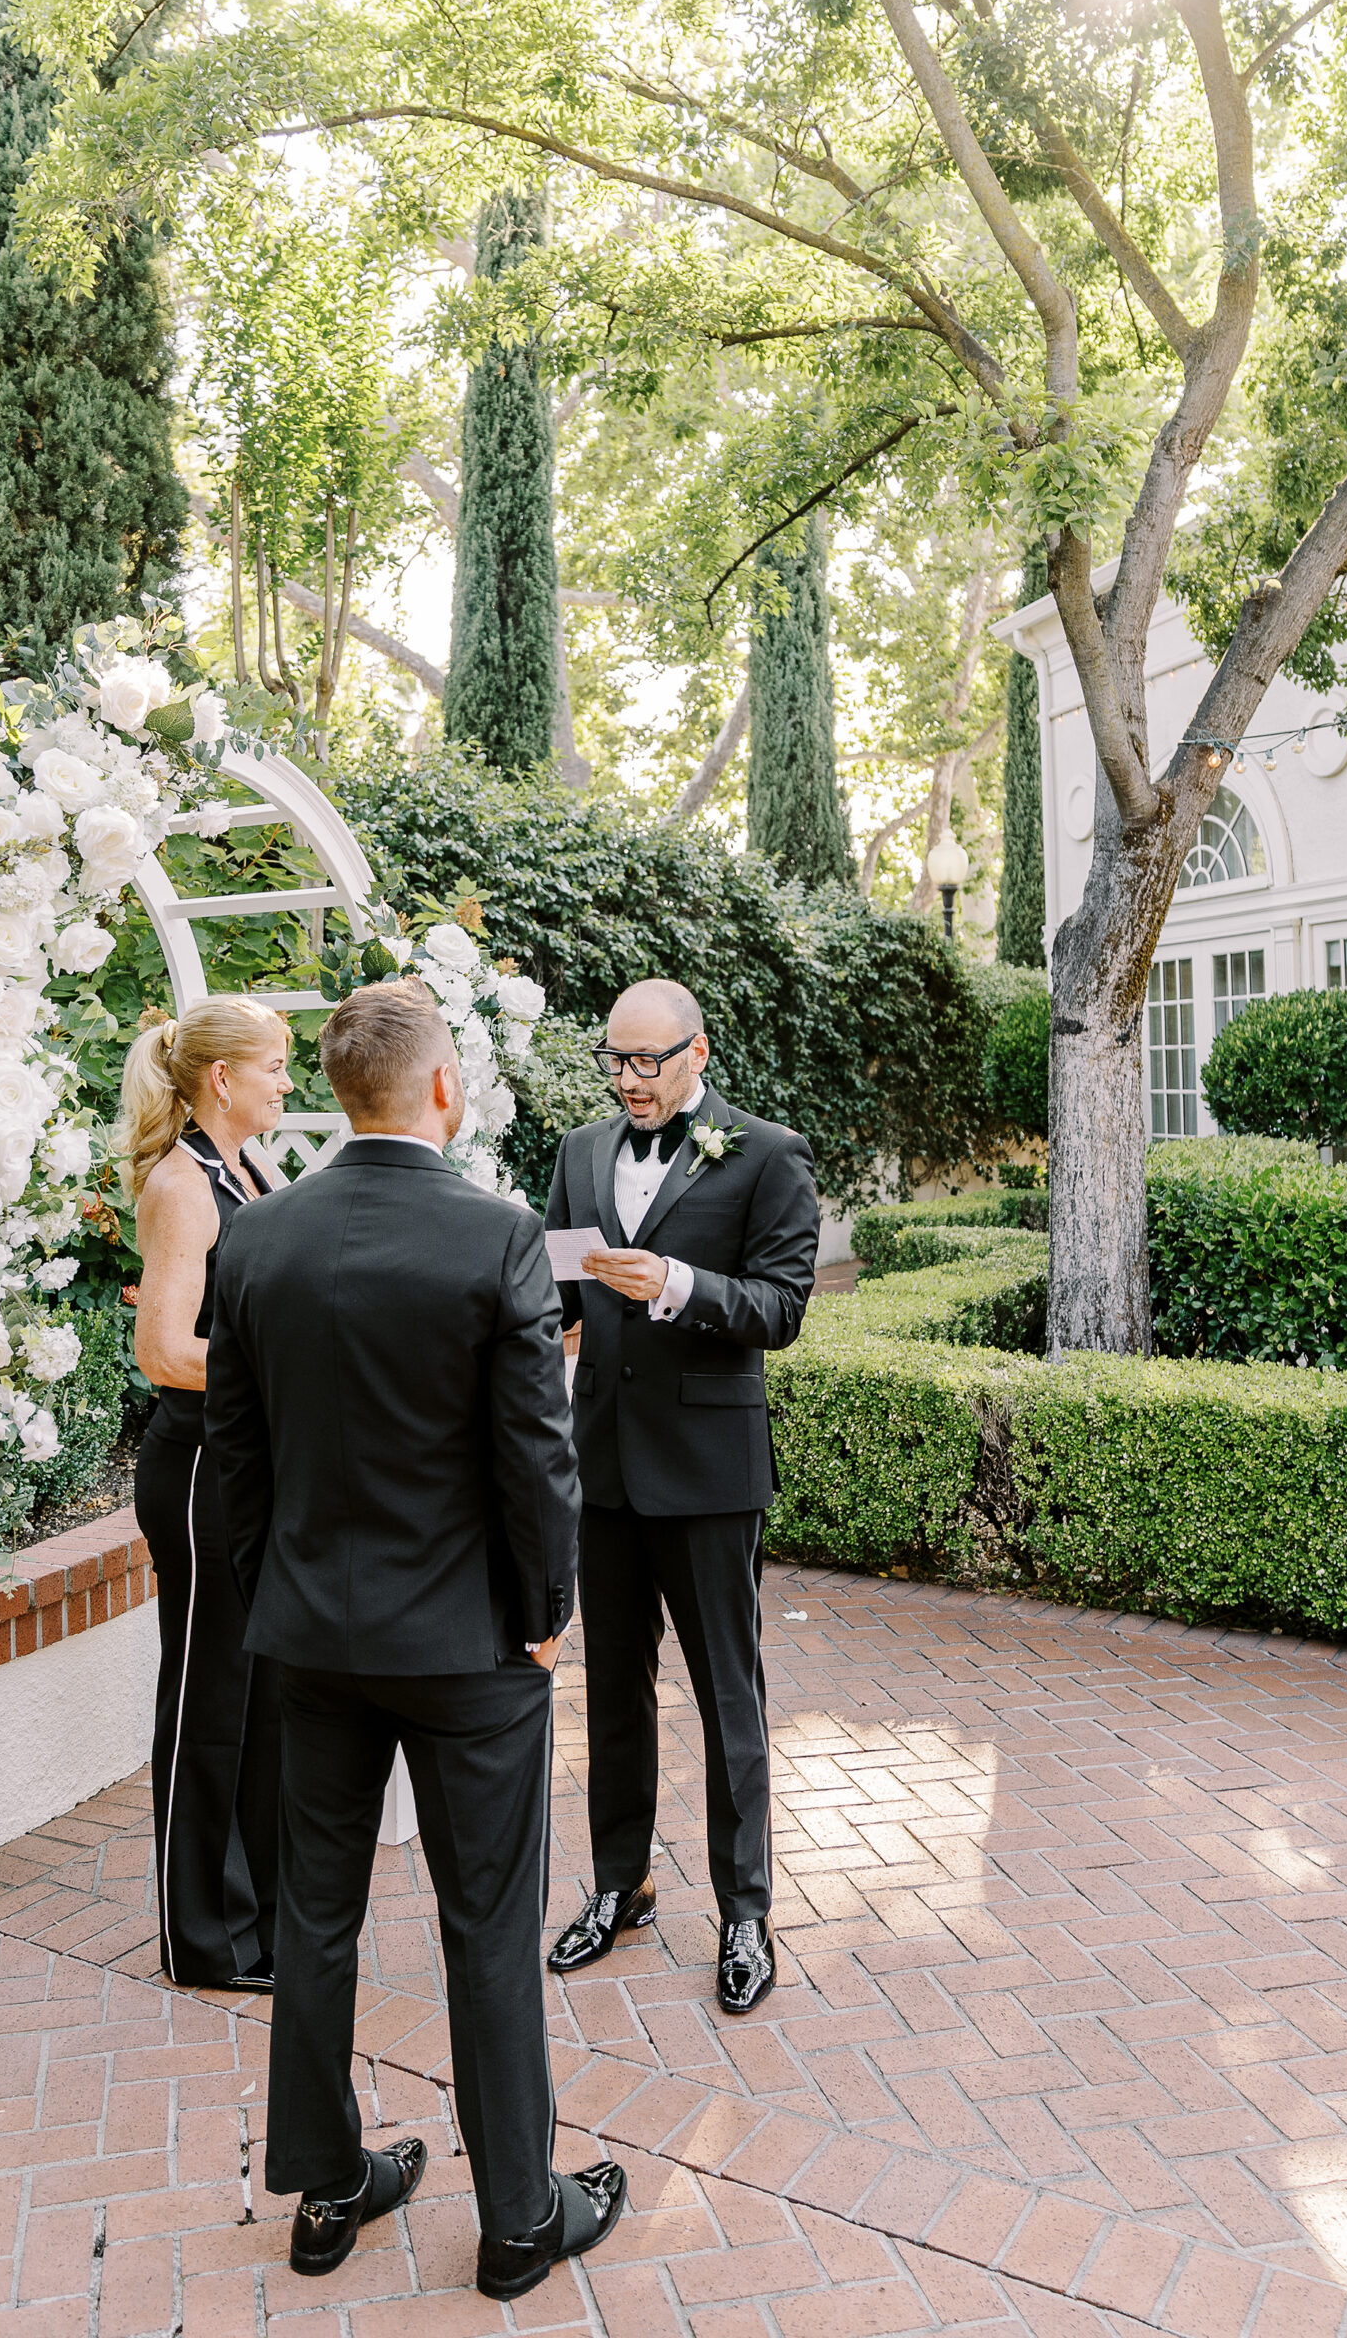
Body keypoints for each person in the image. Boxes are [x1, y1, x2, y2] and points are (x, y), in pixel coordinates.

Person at [205, 978, 627, 2300]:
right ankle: (516, 2219)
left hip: (311, 1644)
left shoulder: (257, 1240)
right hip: (467, 1653)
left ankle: (327, 2191)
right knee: (487, 1925)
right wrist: (548, 1617)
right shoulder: (493, 1236)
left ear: (337, 1090)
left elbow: (236, 1460)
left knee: (313, 1918)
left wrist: (274, 1601)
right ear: (442, 1087)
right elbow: (534, 1459)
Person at [542, 977, 819, 2015]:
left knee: (726, 1697)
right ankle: (622, 1885)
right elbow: (561, 1280)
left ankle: (745, 1910)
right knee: (610, 1692)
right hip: (601, 1468)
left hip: (707, 1478)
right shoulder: (578, 1153)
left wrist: (672, 1284)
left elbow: (782, 1306)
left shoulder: (763, 1152)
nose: (628, 1080)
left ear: (697, 1054)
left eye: (647, 1061)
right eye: (614, 1059)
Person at [118, 995, 292, 1995]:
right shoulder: (180, 1186)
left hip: (256, 1467)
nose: (285, 1081)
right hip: (197, 1474)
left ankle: (262, 1915)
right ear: (220, 1077)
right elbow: (165, 1350)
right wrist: (283, 1368)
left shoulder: (260, 1168)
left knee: (265, 1696)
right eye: (271, 1065)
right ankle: (205, 1941)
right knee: (206, 1700)